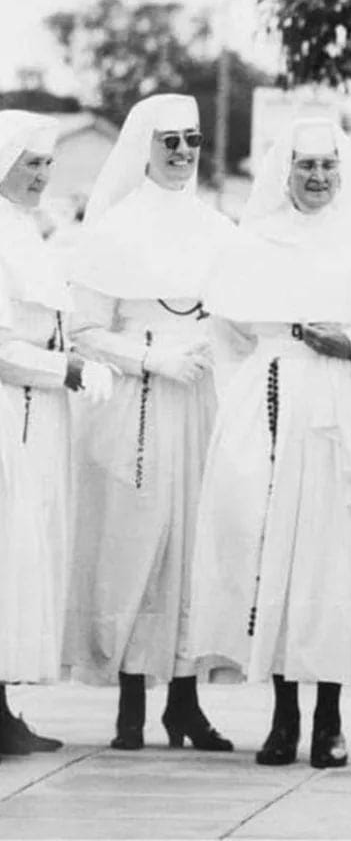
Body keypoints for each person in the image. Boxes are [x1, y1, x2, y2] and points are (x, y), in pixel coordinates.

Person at [186, 118, 351, 769]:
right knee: (269, 550)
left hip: (339, 401)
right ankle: (283, 715)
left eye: (328, 166)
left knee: (329, 559)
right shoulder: (256, 241)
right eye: (306, 166)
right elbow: (228, 334)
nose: (317, 177)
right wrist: (250, 390)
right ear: (286, 171)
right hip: (268, 398)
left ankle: (329, 716)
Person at [63, 94, 236, 752]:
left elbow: (237, 314)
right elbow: (85, 330)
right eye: (170, 141)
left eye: (192, 139)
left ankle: (185, 703)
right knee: (135, 543)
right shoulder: (113, 231)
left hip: (201, 399)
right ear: (146, 147)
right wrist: (151, 358)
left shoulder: (218, 228)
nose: (183, 152)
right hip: (135, 404)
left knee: (196, 546)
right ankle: (131, 701)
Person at [0, 110, 114, 756]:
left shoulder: (26, 230)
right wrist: (64, 369)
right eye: (30, 164)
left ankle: (3, 703)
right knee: (8, 552)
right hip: (9, 411)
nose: (42, 175)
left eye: (47, 163)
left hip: (36, 414)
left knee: (26, 557)